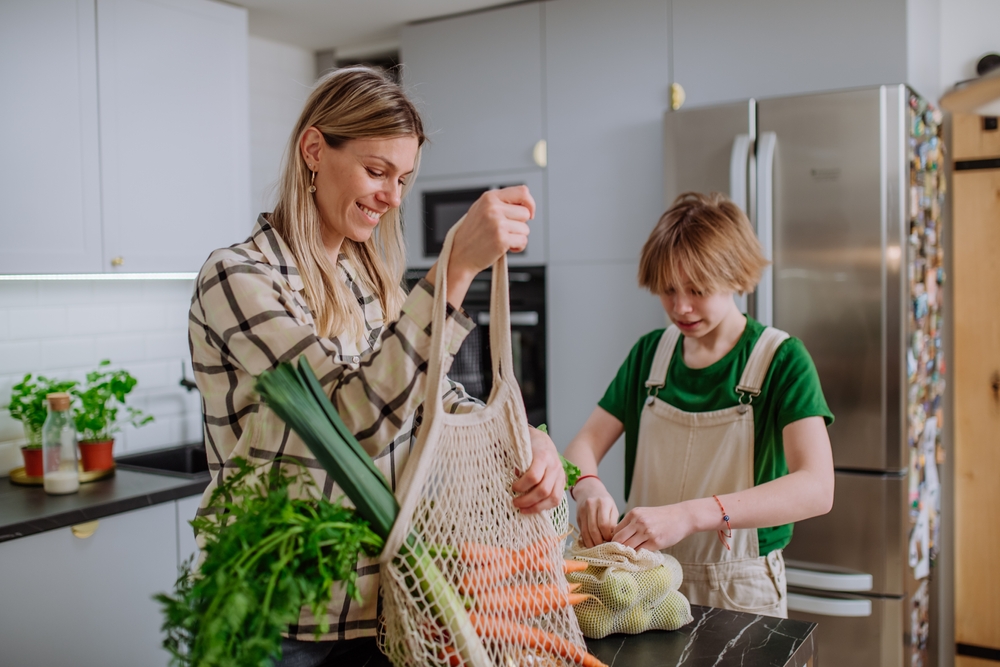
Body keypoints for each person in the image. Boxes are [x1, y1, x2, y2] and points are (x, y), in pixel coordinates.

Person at [188, 66, 565, 665]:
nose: (392, 197)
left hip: (381, 602)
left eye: (403, 178)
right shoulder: (237, 278)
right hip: (276, 612)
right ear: (314, 150)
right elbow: (345, 421)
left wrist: (529, 443)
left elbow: (432, 399)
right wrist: (453, 272)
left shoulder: (372, 280)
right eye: (376, 171)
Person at [563, 192, 835, 618]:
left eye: (698, 290)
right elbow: (583, 447)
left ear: (737, 277)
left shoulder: (782, 360)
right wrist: (588, 487)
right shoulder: (650, 355)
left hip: (740, 587)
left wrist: (691, 515)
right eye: (668, 290)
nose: (681, 307)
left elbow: (817, 488)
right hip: (643, 581)